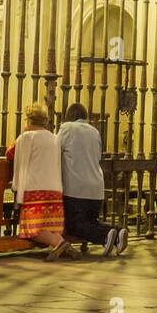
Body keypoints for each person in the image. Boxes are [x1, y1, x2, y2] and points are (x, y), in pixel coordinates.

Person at [6, 104, 76, 261]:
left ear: (30, 120)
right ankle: (63, 245)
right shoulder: (54, 138)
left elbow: (10, 153)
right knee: (50, 226)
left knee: (31, 229)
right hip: (54, 190)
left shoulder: (26, 137)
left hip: (35, 189)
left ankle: (59, 243)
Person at [58, 103, 126, 257]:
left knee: (74, 226)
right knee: (90, 222)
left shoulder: (67, 128)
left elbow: (55, 149)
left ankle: (107, 235)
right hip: (96, 189)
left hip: (75, 188)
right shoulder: (95, 131)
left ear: (69, 116)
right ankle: (118, 232)